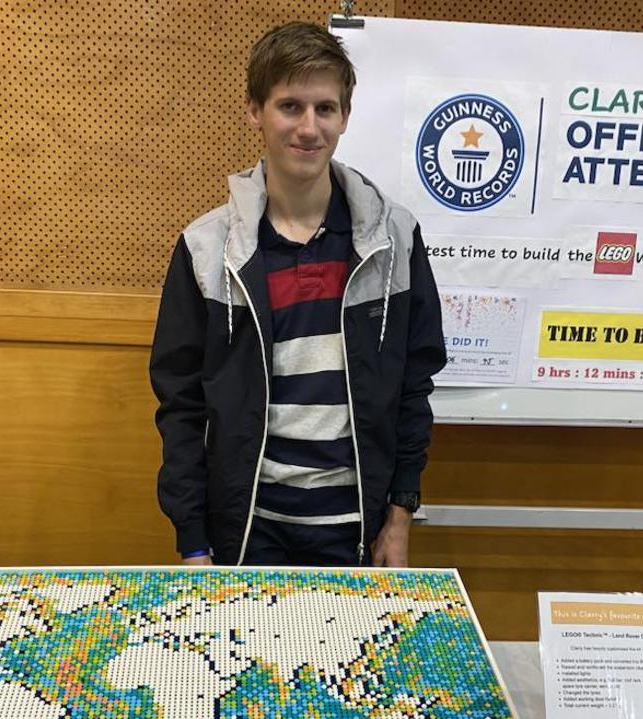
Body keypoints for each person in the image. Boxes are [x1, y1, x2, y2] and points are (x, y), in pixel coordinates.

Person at [149, 21, 446, 568]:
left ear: (345, 117)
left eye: (325, 108)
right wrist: (193, 541)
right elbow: (181, 407)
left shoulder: (394, 239)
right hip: (244, 532)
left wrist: (400, 518)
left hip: (356, 529)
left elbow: (412, 388)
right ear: (254, 111)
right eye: (290, 106)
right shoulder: (206, 248)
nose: (309, 128)